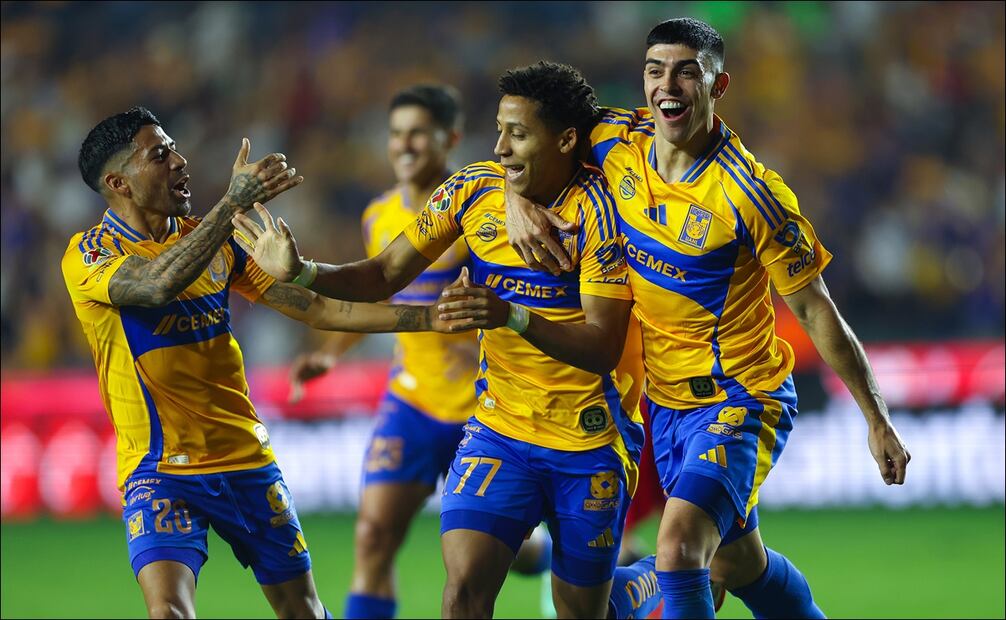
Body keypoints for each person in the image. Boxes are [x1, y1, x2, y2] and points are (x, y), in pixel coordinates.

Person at [500, 17, 911, 619]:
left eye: (687, 72)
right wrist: (514, 199)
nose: (668, 85)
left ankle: (635, 589)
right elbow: (525, 146)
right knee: (739, 565)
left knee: (680, 548)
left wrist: (876, 419)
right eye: (655, 70)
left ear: (718, 87)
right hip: (664, 408)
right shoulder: (614, 140)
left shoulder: (752, 194)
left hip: (741, 399)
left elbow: (816, 310)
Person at [232, 61, 647, 619]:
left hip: (588, 435)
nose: (499, 147)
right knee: (462, 591)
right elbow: (381, 276)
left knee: (582, 610)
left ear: (567, 139)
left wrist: (512, 316)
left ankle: (655, 577)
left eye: (517, 134)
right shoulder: (471, 192)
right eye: (498, 130)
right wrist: (301, 270)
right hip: (499, 427)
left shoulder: (605, 214)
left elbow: (600, 345)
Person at [62, 106, 458, 619]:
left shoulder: (217, 242)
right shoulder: (91, 253)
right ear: (119, 182)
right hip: (159, 470)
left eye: (174, 147)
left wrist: (427, 320)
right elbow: (155, 286)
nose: (180, 161)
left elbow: (318, 308)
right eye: (160, 155)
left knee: (303, 610)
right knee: (168, 612)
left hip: (247, 461)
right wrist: (230, 206)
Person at [286, 85, 480, 620]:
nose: (404, 145)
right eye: (396, 134)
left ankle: (552, 552)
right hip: (412, 403)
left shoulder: (478, 218)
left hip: (483, 410)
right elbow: (377, 293)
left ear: (451, 139)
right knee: (372, 536)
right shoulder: (379, 215)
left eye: (418, 132)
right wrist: (331, 354)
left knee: (497, 556)